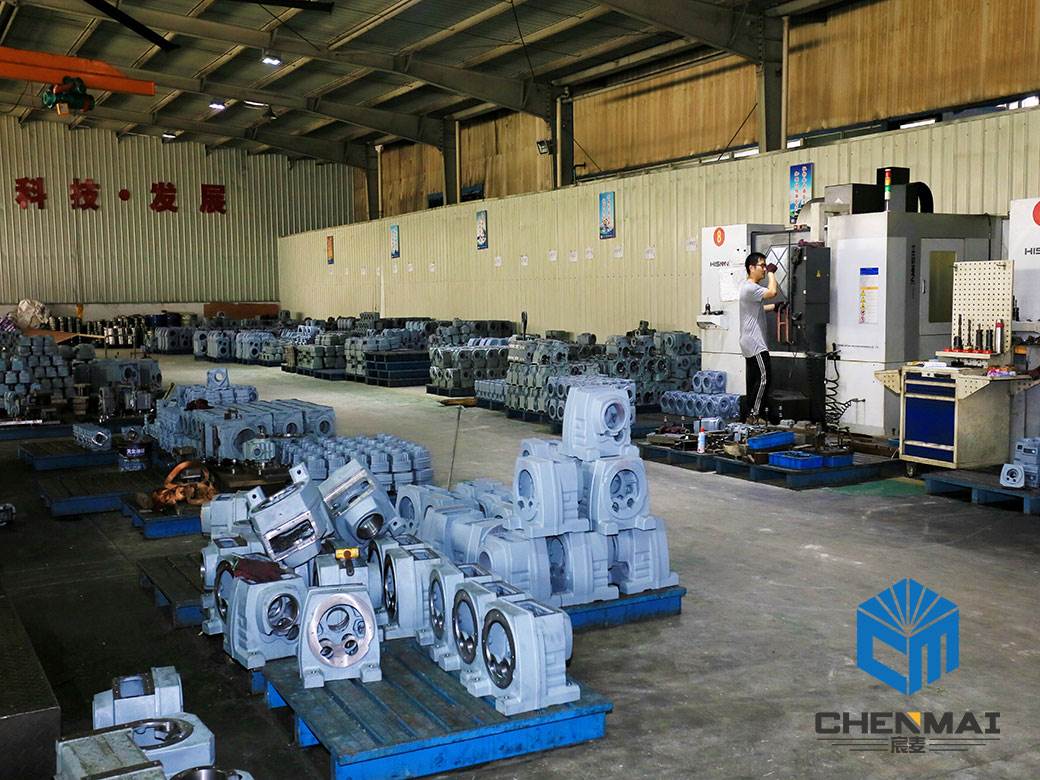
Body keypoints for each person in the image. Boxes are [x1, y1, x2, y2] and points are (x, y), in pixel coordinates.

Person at [739, 252, 784, 424]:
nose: (764, 269)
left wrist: (775, 307)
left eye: (766, 266)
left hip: (749, 341)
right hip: (755, 342)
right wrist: (772, 272)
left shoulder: (747, 288)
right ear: (751, 268)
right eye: (762, 266)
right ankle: (755, 415)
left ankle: (752, 414)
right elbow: (772, 291)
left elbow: (757, 309)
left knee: (754, 380)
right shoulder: (751, 288)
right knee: (765, 378)